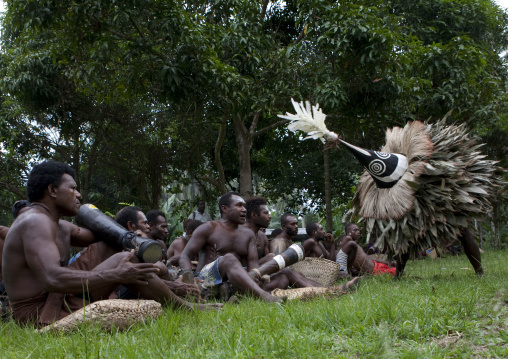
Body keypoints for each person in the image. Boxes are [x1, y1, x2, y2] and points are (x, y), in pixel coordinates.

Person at [3, 161, 218, 326]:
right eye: (73, 188)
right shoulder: (35, 221)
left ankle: (175, 294)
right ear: (52, 191)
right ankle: (184, 305)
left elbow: (111, 239)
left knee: (119, 248)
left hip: (60, 294)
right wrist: (117, 275)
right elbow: (51, 279)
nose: (78, 194)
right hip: (38, 310)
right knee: (123, 262)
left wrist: (124, 233)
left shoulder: (61, 225)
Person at [179, 192, 283, 303]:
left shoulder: (248, 234)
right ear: (225, 208)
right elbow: (185, 255)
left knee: (280, 271)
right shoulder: (208, 228)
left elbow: (253, 266)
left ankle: (230, 292)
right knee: (229, 258)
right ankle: (265, 297)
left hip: (233, 279)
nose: (244, 209)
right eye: (239, 205)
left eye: (244, 206)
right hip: (206, 278)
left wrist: (255, 278)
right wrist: (190, 279)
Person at [242, 196, 324, 292]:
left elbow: (270, 268)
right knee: (272, 258)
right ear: (254, 215)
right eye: (266, 213)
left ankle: (322, 289)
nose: (270, 216)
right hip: (244, 281)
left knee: (283, 278)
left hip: (261, 279)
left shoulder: (262, 237)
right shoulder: (240, 234)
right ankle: (319, 291)